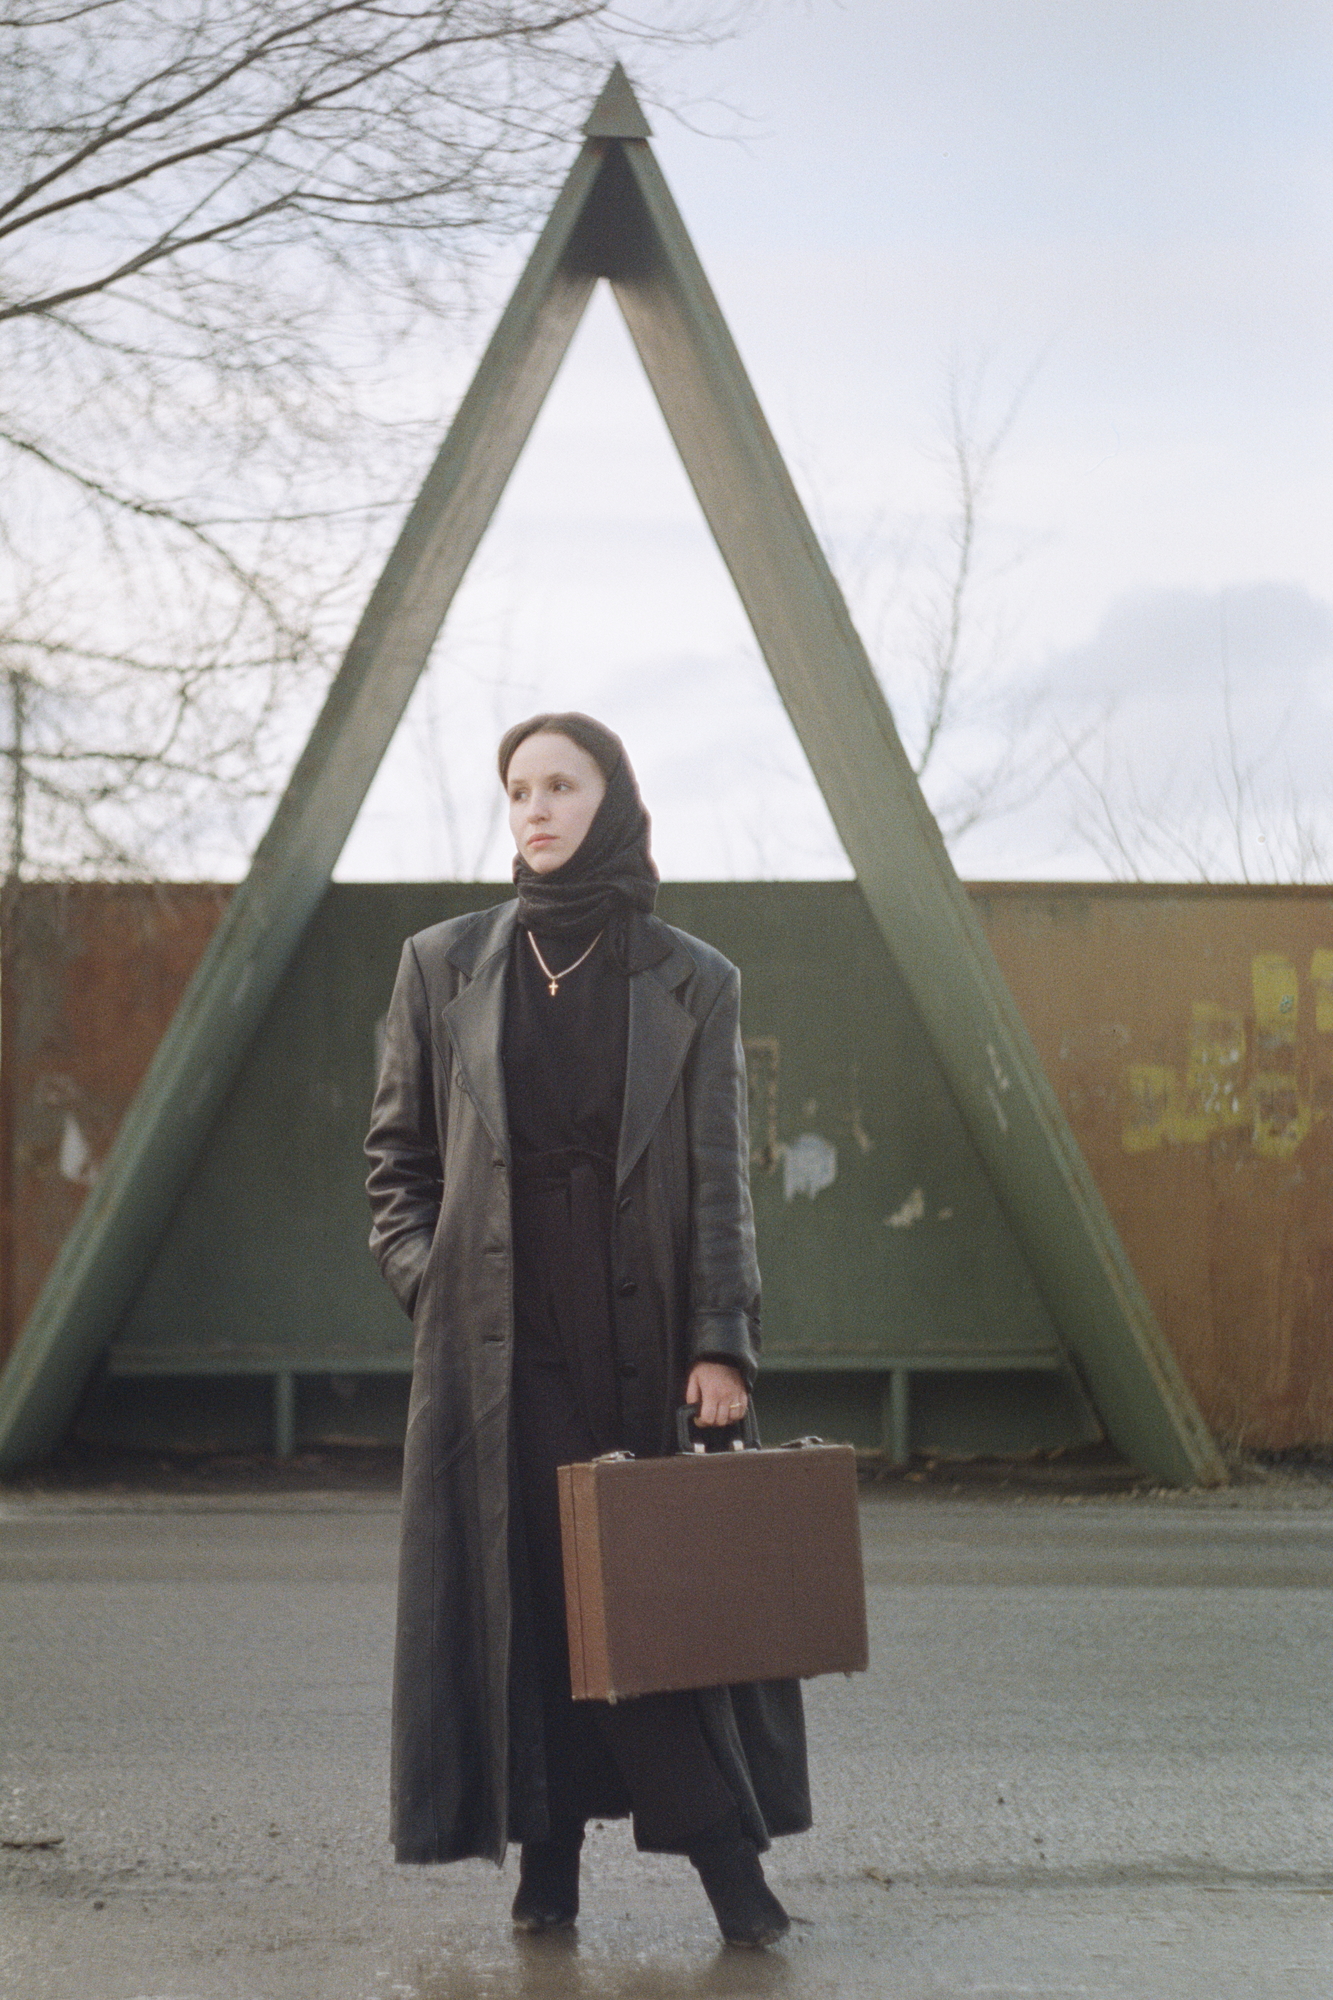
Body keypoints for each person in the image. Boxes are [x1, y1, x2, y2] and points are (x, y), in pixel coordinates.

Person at [365, 712, 809, 1948]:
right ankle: (702, 1877)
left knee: (634, 1594)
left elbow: (720, 1179)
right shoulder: (441, 963)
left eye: (561, 784)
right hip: (497, 1342)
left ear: (609, 798)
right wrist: (431, 1280)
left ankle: (581, 1877)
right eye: (517, 790)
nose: (536, 808)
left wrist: (721, 1342)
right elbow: (396, 1161)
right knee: (550, 1592)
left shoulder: (689, 976)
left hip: (642, 1330)